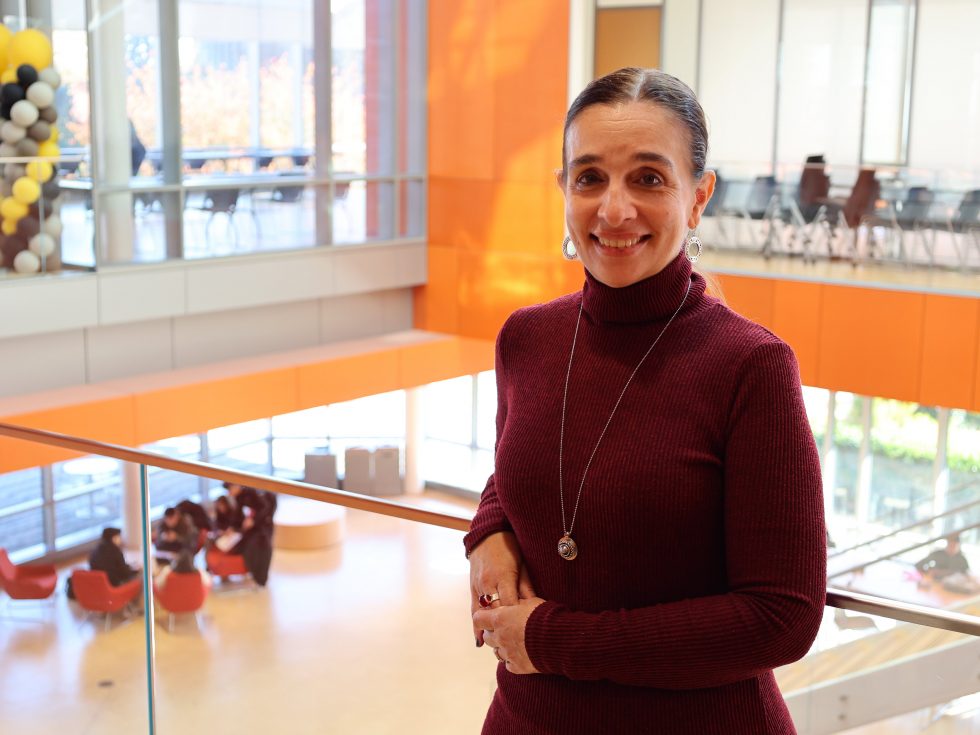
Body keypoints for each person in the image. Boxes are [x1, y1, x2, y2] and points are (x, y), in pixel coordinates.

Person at [466, 68, 826, 734]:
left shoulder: (752, 367)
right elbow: (529, 457)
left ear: (699, 196)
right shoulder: (527, 337)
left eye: (649, 179)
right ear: (564, 189)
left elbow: (782, 615)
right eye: (590, 176)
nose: (614, 210)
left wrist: (551, 636)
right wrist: (488, 529)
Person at [222, 482, 277, 586]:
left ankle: (258, 576)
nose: (229, 493)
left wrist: (253, 520)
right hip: (252, 528)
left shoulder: (252, 492)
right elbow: (238, 515)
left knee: (256, 546)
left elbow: (265, 508)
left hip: (262, 527)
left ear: (236, 486)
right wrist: (232, 528)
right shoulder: (239, 497)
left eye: (230, 489)